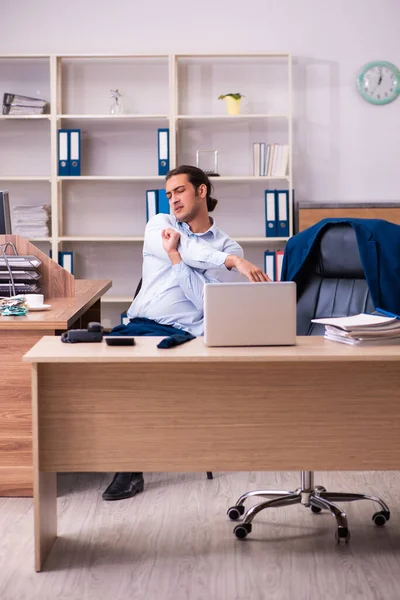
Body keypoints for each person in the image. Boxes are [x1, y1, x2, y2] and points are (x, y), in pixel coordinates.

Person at [102, 165, 270, 501]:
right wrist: (230, 263)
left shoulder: (228, 245)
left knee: (140, 377)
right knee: (108, 373)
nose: (173, 199)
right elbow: (199, 256)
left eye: (179, 191)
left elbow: (204, 300)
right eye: (169, 194)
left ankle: (129, 468)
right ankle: (113, 456)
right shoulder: (160, 225)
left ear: (202, 191)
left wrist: (176, 257)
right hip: (140, 323)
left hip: (186, 334)